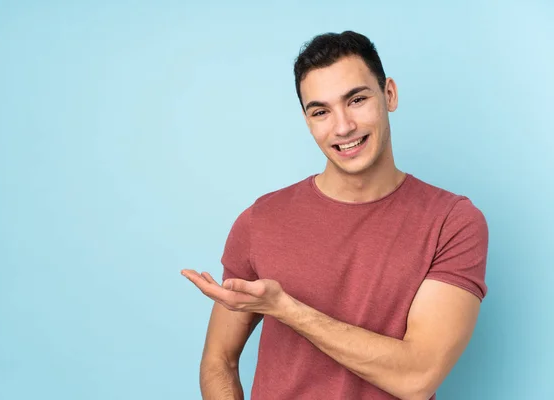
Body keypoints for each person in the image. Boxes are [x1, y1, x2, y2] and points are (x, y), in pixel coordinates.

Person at [181, 30, 488, 400]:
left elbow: (418, 377)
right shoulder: (260, 220)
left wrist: (285, 309)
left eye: (356, 99)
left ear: (388, 94)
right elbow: (219, 360)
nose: (342, 127)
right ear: (307, 119)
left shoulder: (452, 222)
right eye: (321, 111)